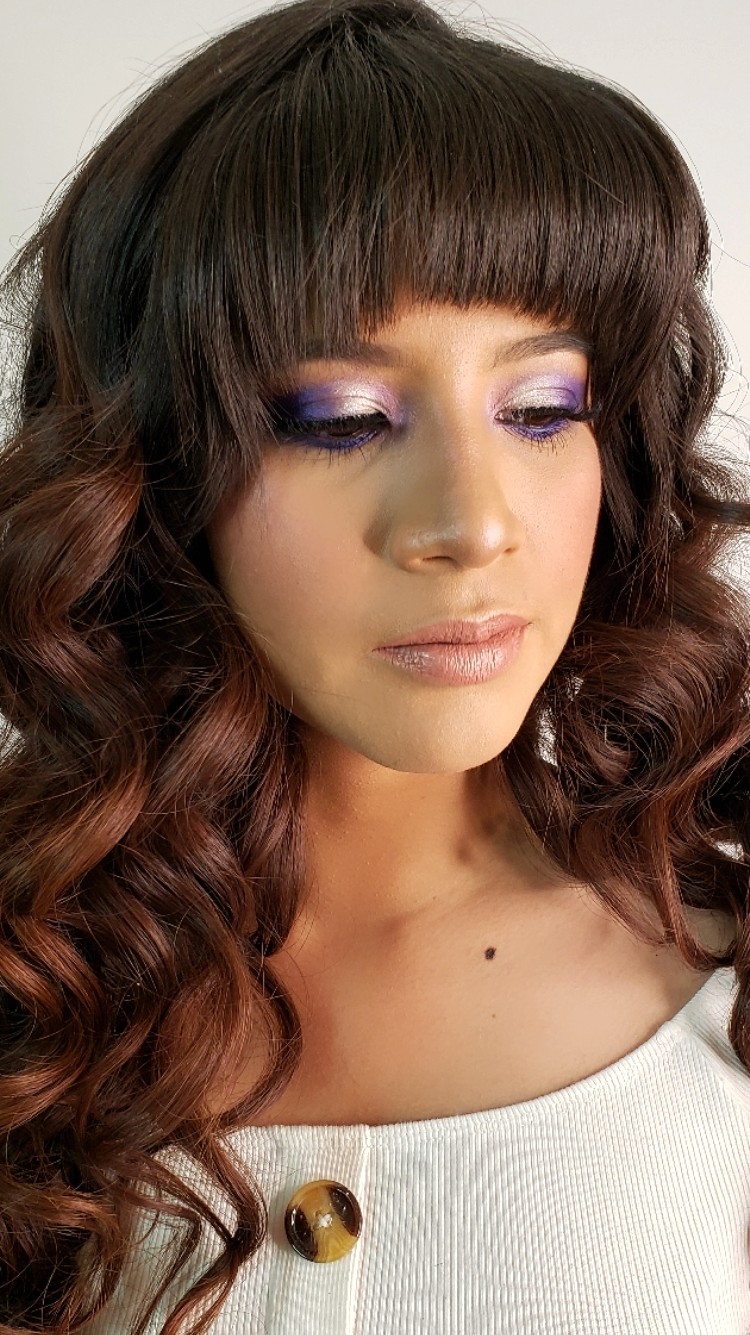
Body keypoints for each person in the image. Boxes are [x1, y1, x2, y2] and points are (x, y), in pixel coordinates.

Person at [0, 0, 748, 1330]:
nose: (469, 523)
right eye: (340, 419)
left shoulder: (720, 984)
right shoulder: (36, 988)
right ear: (154, 465)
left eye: (542, 408)